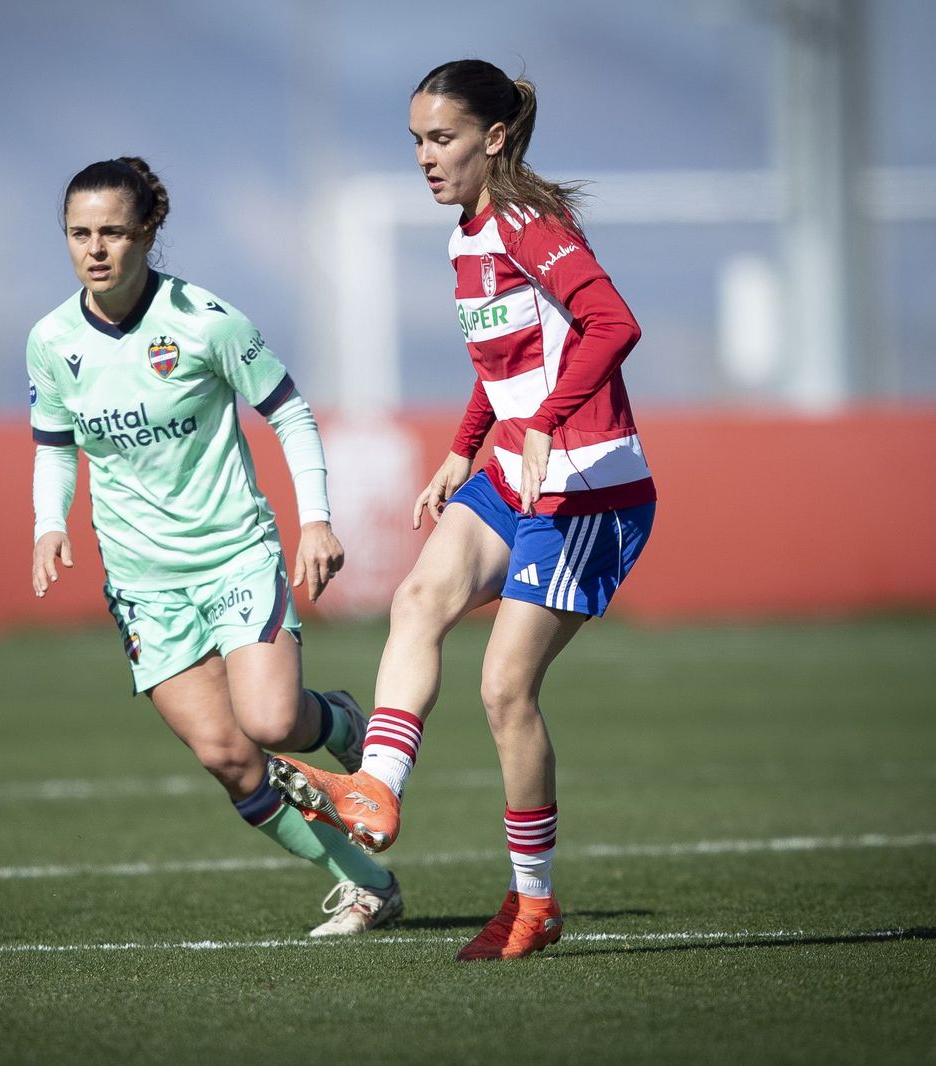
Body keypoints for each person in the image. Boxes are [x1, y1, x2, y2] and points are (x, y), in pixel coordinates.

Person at [269, 60, 656, 961]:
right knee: (417, 601)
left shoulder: (529, 223)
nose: (424, 157)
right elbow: (504, 369)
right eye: (415, 140)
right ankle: (376, 787)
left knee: (504, 689)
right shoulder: (464, 238)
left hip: (587, 486)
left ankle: (534, 903)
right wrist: (460, 451)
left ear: (494, 137)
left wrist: (551, 424)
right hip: (516, 475)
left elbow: (614, 323)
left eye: (441, 139)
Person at [28, 156, 402, 936]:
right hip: (143, 584)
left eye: (113, 232)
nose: (95, 249)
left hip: (235, 555)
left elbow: (291, 414)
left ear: (148, 233)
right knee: (229, 759)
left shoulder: (206, 322)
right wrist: (49, 522)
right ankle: (368, 886)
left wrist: (316, 521)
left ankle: (337, 723)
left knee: (269, 723)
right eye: (79, 233)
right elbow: (55, 444)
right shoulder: (51, 340)